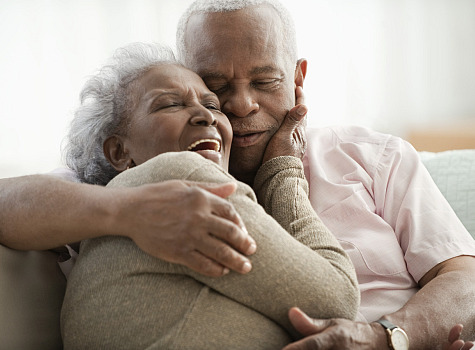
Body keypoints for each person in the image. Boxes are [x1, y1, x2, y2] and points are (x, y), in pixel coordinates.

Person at [0, 0, 474, 348]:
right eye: (215, 86)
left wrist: (391, 338)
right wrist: (124, 209)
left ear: (298, 78)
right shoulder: (138, 171)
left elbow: (465, 278)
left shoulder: (371, 156)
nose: (241, 105)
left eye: (266, 81)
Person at [60, 42, 359, 349]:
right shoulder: (179, 178)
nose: (206, 116)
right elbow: (337, 301)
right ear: (119, 152)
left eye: (213, 105)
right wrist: (282, 169)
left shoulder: (108, 228)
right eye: (171, 104)